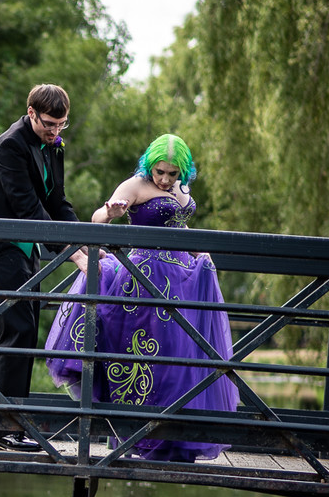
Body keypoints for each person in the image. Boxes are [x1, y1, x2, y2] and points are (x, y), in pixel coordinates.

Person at [43, 133, 238, 462]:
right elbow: (97, 219)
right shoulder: (134, 185)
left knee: (176, 362)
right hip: (142, 280)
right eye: (160, 172)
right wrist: (112, 212)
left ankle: (170, 437)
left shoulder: (179, 189)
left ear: (183, 172)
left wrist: (199, 250)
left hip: (179, 280)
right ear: (150, 166)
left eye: (172, 174)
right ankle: (132, 435)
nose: (164, 179)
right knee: (137, 358)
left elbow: (177, 226)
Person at [0, 84, 82, 452]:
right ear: (30, 112)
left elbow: (56, 200)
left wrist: (84, 240)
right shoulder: (9, 146)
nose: (55, 132)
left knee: (26, 335)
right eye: (49, 124)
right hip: (0, 250)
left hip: (26, 252)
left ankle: (16, 426)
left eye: (62, 125)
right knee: (16, 333)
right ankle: (1, 431)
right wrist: (72, 253)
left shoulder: (52, 144)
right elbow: (28, 207)